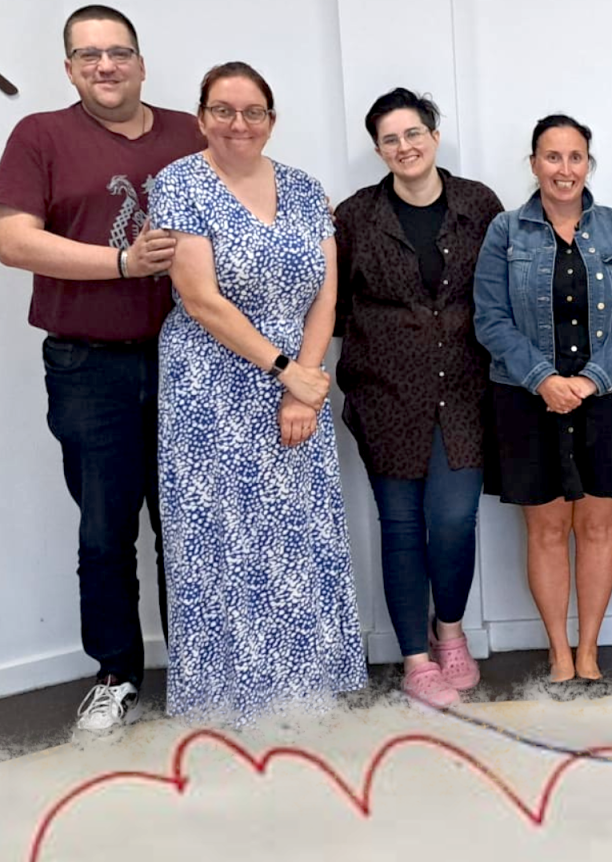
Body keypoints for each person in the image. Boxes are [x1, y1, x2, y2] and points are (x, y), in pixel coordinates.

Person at [0, 5, 204, 734]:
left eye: (118, 52)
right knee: (105, 529)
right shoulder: (39, 135)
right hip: (90, 366)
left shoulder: (193, 131)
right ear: (68, 69)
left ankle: (204, 667)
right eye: (88, 56)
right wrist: (122, 263)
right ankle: (116, 673)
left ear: (142, 62)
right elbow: (13, 241)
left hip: (192, 362)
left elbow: (244, 208)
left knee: (191, 523)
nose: (105, 66)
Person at [149, 62, 366, 724]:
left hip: (297, 376)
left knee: (296, 529)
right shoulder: (178, 184)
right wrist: (284, 370)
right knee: (222, 536)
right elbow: (200, 298)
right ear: (201, 117)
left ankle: (304, 683)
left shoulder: (304, 188)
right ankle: (228, 698)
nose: (238, 124)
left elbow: (326, 293)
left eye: (252, 112)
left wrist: (304, 384)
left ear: (271, 120)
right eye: (223, 110)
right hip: (209, 385)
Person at [334, 89, 503, 708]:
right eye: (390, 139)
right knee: (401, 524)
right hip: (386, 390)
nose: (404, 147)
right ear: (378, 149)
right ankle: (413, 657)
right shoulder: (354, 216)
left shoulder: (478, 204)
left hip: (464, 386)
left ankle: (450, 630)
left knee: (455, 518)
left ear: (434, 136)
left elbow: (505, 285)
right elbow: (332, 303)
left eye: (413, 134)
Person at [474, 115, 612, 683]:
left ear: (588, 164)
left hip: (610, 398)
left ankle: (590, 651)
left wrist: (591, 379)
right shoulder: (504, 232)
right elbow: (490, 319)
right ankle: (558, 651)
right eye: (552, 157)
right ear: (533, 164)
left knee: (598, 529)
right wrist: (544, 380)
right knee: (547, 531)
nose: (564, 169)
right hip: (529, 402)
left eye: (575, 157)